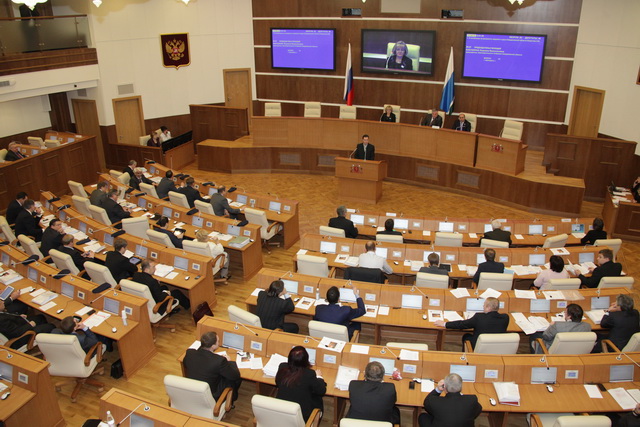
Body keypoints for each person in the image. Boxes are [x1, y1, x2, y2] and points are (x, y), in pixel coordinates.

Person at [183, 331, 242, 402]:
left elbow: (186, 364)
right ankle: (231, 399)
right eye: (218, 341)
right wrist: (228, 362)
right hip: (211, 395)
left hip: (192, 389)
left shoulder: (190, 353)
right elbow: (235, 375)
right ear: (213, 346)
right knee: (233, 379)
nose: (219, 343)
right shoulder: (219, 361)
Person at [434, 297, 508, 350]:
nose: (483, 306)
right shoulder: (505, 318)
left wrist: (445, 324)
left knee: (466, 336)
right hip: (497, 347)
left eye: (484, 305)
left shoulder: (479, 317)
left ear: (488, 308)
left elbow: (462, 324)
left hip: (479, 347)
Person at [275, 346, 326, 422]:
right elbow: (321, 391)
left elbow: (277, 382)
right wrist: (319, 377)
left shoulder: (282, 366)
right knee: (317, 397)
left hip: (280, 410)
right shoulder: (309, 374)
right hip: (302, 416)